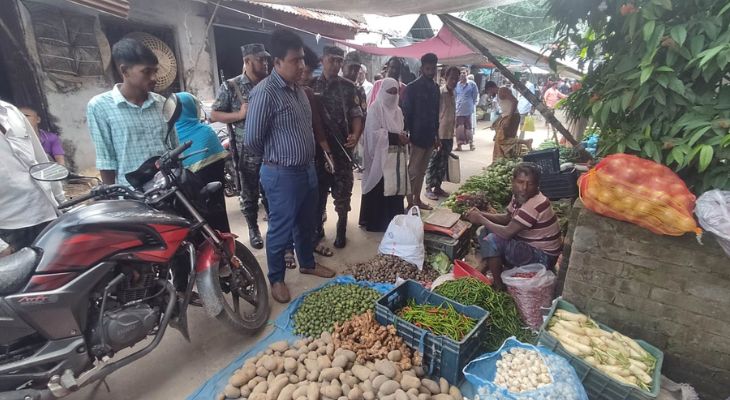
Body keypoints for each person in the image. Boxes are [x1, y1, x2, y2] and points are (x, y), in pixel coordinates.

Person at [245, 29, 335, 304]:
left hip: (307, 170)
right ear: (277, 63)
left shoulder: (300, 91)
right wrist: (278, 160)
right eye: (295, 60)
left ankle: (307, 262)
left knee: (306, 223)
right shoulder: (265, 93)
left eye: (302, 60)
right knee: (280, 230)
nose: (302, 66)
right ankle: (277, 278)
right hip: (281, 174)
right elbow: (252, 140)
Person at [87, 38, 173, 186]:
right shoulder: (100, 107)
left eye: (155, 71)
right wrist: (112, 198)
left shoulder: (162, 104)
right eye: (146, 72)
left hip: (170, 188)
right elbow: (106, 159)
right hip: (134, 196)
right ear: (124, 71)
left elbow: (174, 147)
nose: (154, 78)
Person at [465, 162, 562, 290]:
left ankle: (499, 286)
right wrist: (480, 213)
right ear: (513, 182)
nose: (524, 188)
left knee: (493, 239)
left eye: (530, 183)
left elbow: (507, 232)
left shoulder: (535, 203)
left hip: (544, 258)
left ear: (537, 186)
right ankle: (491, 264)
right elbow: (506, 218)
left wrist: (481, 219)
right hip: (530, 246)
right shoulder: (519, 196)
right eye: (520, 182)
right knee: (486, 230)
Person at [210, 43, 270, 249]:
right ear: (247, 61)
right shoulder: (231, 86)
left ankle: (274, 228)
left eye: (265, 59)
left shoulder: (269, 83)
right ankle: (253, 230)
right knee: (249, 193)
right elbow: (215, 114)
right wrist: (239, 115)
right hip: (246, 153)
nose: (265, 63)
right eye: (260, 59)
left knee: (271, 192)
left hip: (271, 150)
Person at [309, 46, 365, 250]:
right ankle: (318, 229)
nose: (336, 65)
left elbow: (356, 114)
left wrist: (355, 135)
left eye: (339, 61)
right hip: (318, 151)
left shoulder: (348, 87)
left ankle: (341, 227)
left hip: (342, 150)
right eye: (332, 60)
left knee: (343, 192)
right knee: (318, 193)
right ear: (322, 60)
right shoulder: (309, 84)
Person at [0, 100, 63, 255]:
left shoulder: (11, 111)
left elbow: (40, 159)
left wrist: (62, 202)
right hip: (10, 227)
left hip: (47, 213)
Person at [173, 92, 230, 233]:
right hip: (213, 196)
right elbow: (219, 167)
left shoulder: (171, 135)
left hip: (186, 199)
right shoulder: (206, 132)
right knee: (219, 230)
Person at [359, 78, 408, 232]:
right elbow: (373, 134)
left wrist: (403, 136)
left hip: (394, 157)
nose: (393, 95)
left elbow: (400, 129)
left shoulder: (398, 111)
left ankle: (393, 220)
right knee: (380, 187)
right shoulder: (375, 108)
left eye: (395, 92)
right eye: (389, 92)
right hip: (380, 158)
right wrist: (394, 137)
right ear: (382, 92)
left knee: (394, 187)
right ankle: (376, 222)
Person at [403, 53, 440, 211]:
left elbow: (436, 113)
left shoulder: (435, 88)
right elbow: (407, 113)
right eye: (428, 68)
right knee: (413, 171)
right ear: (422, 68)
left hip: (430, 136)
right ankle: (410, 202)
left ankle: (417, 199)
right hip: (416, 136)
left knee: (422, 170)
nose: (431, 72)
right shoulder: (412, 88)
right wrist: (408, 135)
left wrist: (437, 136)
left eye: (433, 69)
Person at [424, 66, 459, 201]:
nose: (454, 81)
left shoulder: (453, 93)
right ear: (445, 78)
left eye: (456, 78)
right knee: (433, 161)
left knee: (443, 162)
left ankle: (437, 186)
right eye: (452, 78)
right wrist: (435, 135)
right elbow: (434, 115)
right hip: (439, 134)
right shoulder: (440, 93)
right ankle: (428, 188)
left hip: (449, 133)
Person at [492, 87, 532, 160]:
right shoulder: (498, 94)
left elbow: (515, 101)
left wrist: (509, 119)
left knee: (501, 139)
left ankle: (525, 141)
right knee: (501, 139)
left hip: (512, 117)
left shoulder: (502, 90)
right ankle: (506, 158)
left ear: (490, 89)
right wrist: (497, 120)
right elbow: (505, 109)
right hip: (508, 117)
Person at [454, 68, 479, 151]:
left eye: (464, 73)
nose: (462, 74)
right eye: (461, 73)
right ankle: (459, 145)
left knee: (468, 127)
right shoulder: (457, 85)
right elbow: (455, 96)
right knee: (459, 127)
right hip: (459, 109)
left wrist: (471, 104)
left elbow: (475, 96)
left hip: (468, 109)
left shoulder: (472, 84)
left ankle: (471, 144)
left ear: (467, 74)